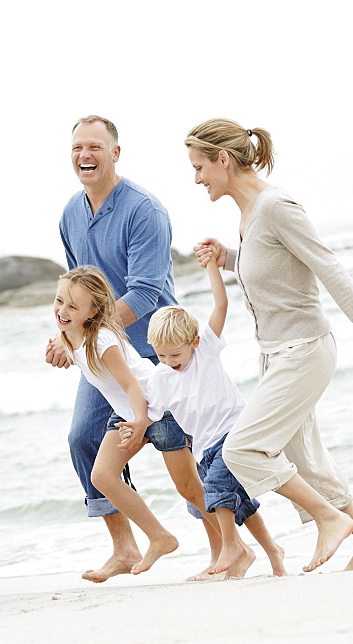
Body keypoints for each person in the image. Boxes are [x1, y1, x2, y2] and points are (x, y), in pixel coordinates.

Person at [186, 118, 353, 572]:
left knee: (242, 448)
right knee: (306, 461)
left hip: (304, 350)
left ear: (223, 159)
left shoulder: (277, 206)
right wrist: (226, 257)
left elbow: (327, 267)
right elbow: (272, 269)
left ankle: (329, 518)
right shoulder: (249, 216)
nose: (197, 178)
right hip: (276, 354)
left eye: (200, 166)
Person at [45, 115, 218, 582]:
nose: (86, 155)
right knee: (83, 439)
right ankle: (123, 547)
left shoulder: (144, 210)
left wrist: (81, 333)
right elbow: (78, 291)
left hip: (162, 355)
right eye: (78, 147)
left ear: (115, 153)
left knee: (185, 458)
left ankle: (227, 547)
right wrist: (69, 332)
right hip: (104, 355)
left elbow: (143, 294)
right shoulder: (69, 214)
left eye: (96, 147)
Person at [145, 244, 287, 578]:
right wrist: (133, 425)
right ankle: (273, 553)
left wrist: (211, 266)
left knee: (216, 490)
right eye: (161, 356)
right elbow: (150, 412)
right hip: (204, 447)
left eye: (174, 356)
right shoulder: (161, 377)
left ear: (193, 342)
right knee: (242, 506)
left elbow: (220, 303)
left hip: (234, 430)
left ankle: (231, 548)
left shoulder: (204, 351)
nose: (169, 363)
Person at [53, 265, 183, 575]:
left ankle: (238, 549)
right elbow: (83, 360)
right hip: (129, 414)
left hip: (157, 409)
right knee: (102, 477)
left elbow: (131, 385)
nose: (63, 310)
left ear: (94, 310)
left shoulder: (102, 341)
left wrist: (141, 422)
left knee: (190, 486)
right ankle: (159, 537)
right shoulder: (72, 335)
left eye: (73, 306)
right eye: (59, 301)